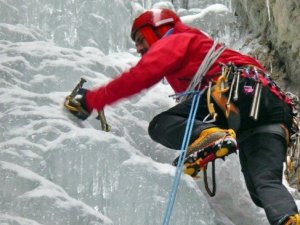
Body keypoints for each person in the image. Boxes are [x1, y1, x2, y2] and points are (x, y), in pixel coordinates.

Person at [65, 8, 299, 225]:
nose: (138, 48)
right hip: (270, 108)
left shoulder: (176, 38)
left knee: (160, 124)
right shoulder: (197, 46)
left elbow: (140, 76)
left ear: (156, 30)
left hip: (237, 93)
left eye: (140, 39)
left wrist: (92, 100)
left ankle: (208, 136)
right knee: (263, 187)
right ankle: (289, 220)